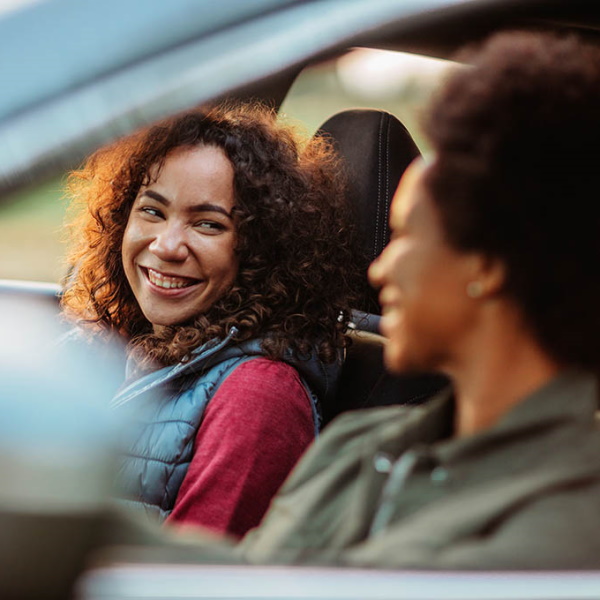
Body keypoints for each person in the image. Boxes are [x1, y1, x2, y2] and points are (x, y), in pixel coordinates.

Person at [236, 31, 600, 568]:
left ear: (486, 264)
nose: (378, 267)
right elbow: (235, 576)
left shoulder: (570, 514)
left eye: (403, 235)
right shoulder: (359, 443)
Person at [61, 103, 359, 538]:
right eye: (152, 211)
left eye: (207, 224)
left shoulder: (259, 396)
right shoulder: (124, 343)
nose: (166, 246)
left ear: (261, 250)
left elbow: (189, 579)